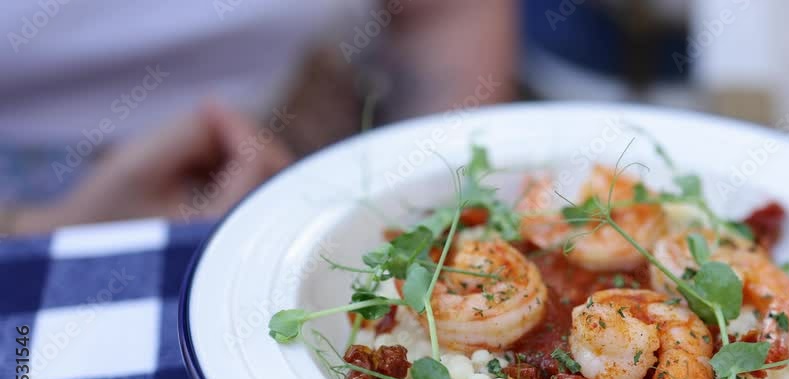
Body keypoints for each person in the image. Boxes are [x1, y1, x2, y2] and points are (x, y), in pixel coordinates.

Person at [0, 0, 517, 235]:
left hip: (316, 142)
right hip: (36, 198)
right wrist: (36, 229)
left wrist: (438, 203)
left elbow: (445, 14)